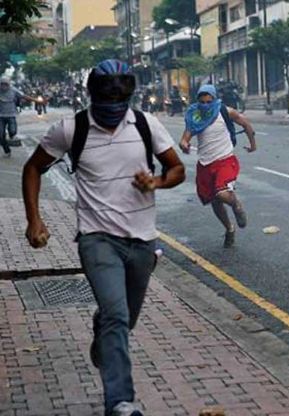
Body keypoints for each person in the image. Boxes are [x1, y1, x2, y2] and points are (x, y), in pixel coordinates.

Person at [22, 59, 185, 416]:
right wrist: (34, 220)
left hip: (143, 242)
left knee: (123, 320)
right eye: (106, 97)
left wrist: (157, 181)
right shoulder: (71, 129)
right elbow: (33, 167)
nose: (113, 106)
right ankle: (121, 403)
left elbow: (177, 168)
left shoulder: (146, 124)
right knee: (116, 315)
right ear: (92, 94)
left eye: (119, 98)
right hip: (97, 239)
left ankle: (103, 334)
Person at [179, 84, 256, 248]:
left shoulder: (225, 111)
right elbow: (186, 136)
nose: (206, 105)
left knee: (222, 193)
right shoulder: (195, 115)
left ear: (214, 99)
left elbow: (246, 125)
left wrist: (253, 144)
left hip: (225, 160)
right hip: (205, 163)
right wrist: (184, 144)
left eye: (209, 101)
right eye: (202, 102)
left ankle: (236, 205)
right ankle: (229, 228)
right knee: (214, 200)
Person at [0, 76, 35, 157]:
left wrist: (36, 100)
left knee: (12, 131)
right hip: (1, 116)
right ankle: (7, 150)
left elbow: (24, 96)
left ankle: (11, 135)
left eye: (5, 84)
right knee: (0, 136)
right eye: (2, 84)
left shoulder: (14, 90)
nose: (3, 87)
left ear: (8, 84)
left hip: (11, 115)